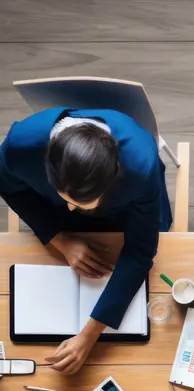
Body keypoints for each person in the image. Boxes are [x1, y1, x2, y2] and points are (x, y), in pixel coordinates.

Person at [0, 106, 172, 374]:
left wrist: (90, 334)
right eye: (65, 197)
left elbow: (140, 251)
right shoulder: (21, 144)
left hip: (126, 210)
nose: (71, 209)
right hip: (54, 215)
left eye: (80, 203)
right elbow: (7, 185)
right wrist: (60, 240)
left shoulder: (140, 167)